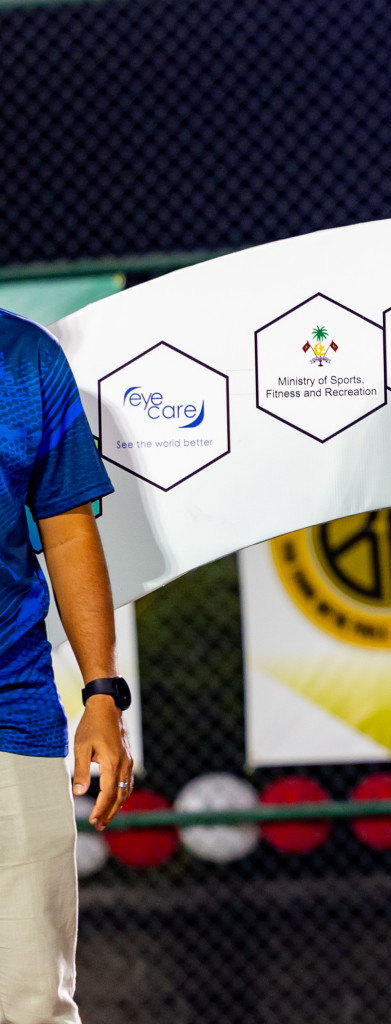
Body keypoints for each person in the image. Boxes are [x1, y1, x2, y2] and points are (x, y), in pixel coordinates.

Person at [0, 309, 132, 1024]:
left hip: (10, 712)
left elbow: (68, 529)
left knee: (32, 1005)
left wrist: (103, 694)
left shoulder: (25, 358)